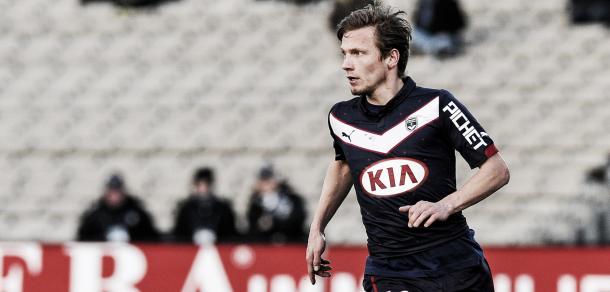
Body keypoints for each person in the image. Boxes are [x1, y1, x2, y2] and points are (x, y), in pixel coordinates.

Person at [305, 2, 510, 291]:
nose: (346, 64)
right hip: (390, 269)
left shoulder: (437, 105)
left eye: (358, 53)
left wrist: (446, 204)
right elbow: (343, 165)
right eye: (344, 54)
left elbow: (497, 170)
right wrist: (318, 227)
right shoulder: (341, 118)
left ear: (391, 58)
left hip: (456, 265)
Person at [77, 173, 160, 242]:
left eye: (117, 190)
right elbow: (83, 238)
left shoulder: (137, 212)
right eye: (111, 190)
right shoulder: (95, 216)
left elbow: (150, 236)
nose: (114, 194)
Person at [172, 167, 238, 244]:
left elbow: (230, 232)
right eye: (199, 184)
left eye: (205, 184)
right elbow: (180, 233)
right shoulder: (186, 208)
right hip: (190, 250)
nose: (202, 188)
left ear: (211, 185)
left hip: (219, 248)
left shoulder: (222, 208)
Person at [247, 165, 307, 243]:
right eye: (264, 180)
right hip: (266, 244)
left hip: (292, 241)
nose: (267, 183)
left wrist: (274, 223)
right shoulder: (255, 204)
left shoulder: (292, 199)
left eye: (269, 179)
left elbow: (298, 219)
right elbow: (254, 227)